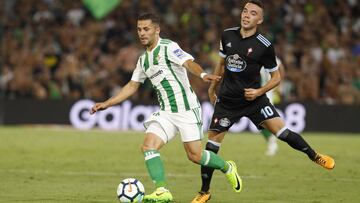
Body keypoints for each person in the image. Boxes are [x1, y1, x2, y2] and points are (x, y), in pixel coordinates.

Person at [192, 1, 335, 203]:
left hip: (254, 101)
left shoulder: (264, 45)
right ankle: (204, 192)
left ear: (260, 19)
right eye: (244, 11)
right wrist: (212, 86)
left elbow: (276, 77)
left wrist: (259, 91)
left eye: (253, 13)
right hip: (227, 102)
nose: (246, 15)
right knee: (211, 148)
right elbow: (222, 62)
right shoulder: (227, 35)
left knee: (283, 133)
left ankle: (314, 156)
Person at [90, 13, 242, 203]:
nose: (142, 33)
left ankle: (228, 167)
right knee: (148, 146)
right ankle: (162, 190)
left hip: (187, 109)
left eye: (146, 29)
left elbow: (188, 63)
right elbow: (132, 86)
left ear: (157, 30)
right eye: (139, 29)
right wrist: (107, 103)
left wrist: (203, 75)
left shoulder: (168, 47)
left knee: (195, 156)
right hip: (166, 113)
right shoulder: (143, 60)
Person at [259, 56, 284, 156]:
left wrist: (279, 84)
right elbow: (281, 67)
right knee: (262, 122)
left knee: (266, 121)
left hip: (264, 93)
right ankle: (272, 141)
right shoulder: (272, 58)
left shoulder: (257, 56)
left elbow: (281, 68)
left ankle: (272, 142)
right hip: (263, 92)